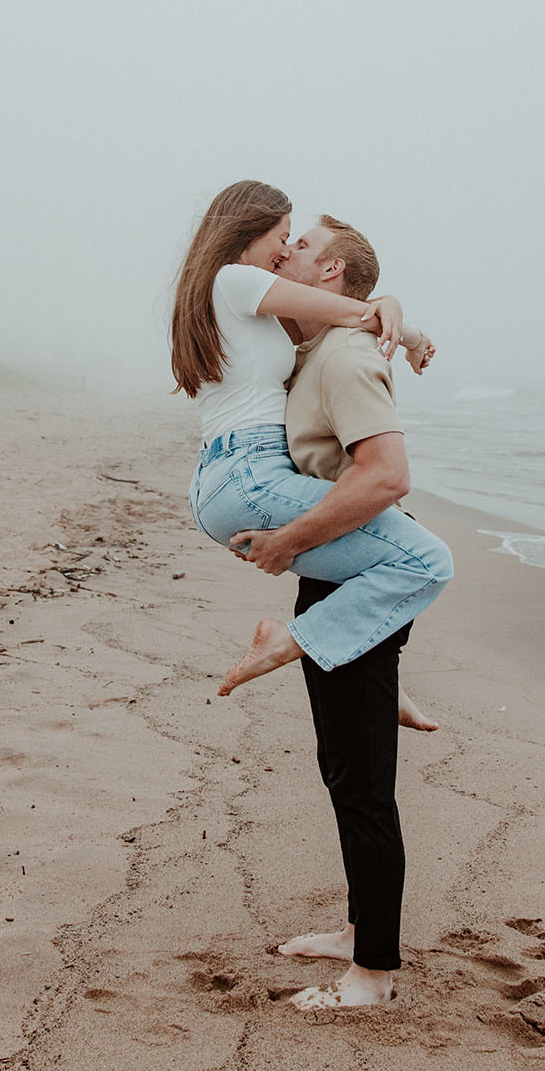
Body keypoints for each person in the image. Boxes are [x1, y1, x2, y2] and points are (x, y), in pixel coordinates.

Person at [232, 212, 435, 1012]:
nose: (287, 255)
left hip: (361, 571)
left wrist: (286, 542)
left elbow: (386, 478)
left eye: (303, 249)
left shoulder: (344, 356)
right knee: (344, 768)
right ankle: (359, 931)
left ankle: (370, 976)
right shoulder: (315, 347)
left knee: (360, 786)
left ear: (332, 277)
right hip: (344, 568)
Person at [171, 180, 453, 697]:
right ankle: (289, 641)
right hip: (249, 472)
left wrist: (384, 300)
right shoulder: (234, 279)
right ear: (249, 230)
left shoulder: (230, 296)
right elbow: (348, 312)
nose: (284, 248)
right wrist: (409, 334)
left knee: (370, 537)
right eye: (282, 235)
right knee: (424, 560)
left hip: (227, 476)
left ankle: (382, 686)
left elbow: (325, 315)